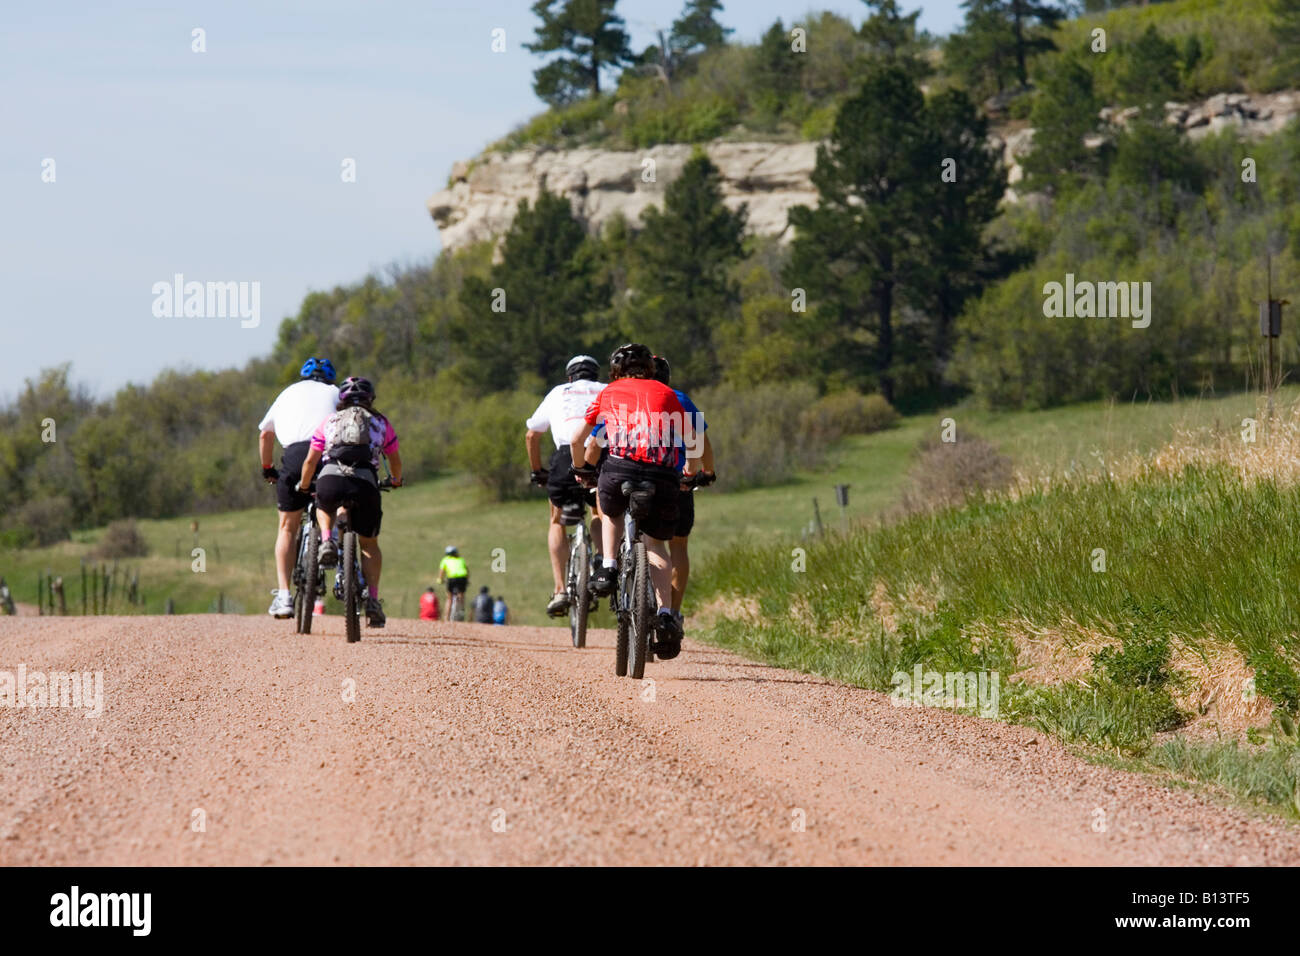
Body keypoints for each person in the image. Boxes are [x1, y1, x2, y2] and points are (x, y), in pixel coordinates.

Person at [570, 343, 701, 660]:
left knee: (610, 511)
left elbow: (579, 439)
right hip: (662, 477)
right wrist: (690, 473)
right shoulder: (667, 393)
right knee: (657, 546)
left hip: (619, 470)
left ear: (616, 371)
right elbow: (692, 439)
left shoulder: (609, 392)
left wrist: (580, 468)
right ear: (651, 370)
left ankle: (609, 567)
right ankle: (667, 614)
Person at [299, 376, 403, 628]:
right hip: (365, 484)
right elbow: (395, 461)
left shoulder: (329, 421)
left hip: (331, 478)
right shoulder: (381, 423)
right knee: (369, 544)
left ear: (341, 400)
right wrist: (396, 480)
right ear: (371, 399)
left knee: (324, 506)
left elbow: (311, 461)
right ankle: (374, 601)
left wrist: (303, 485)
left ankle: (326, 541)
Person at [525, 354, 607, 617]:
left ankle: (560, 589)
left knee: (557, 520)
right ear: (595, 374)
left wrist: (538, 471)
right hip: (600, 454)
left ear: (569, 376)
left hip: (564, 457)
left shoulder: (558, 392)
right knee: (600, 512)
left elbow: (532, 435)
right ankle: (602, 561)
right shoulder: (606, 389)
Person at [257, 358, 339, 618]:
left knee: (287, 528)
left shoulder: (287, 393)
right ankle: (340, 562)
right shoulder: (336, 392)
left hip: (294, 458)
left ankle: (283, 596)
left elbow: (265, 435)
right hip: (328, 454)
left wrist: (268, 467)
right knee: (339, 505)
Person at [651, 355, 716, 632]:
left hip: (638, 477)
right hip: (677, 481)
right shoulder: (680, 399)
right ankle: (672, 613)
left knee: (646, 542)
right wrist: (708, 472)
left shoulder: (632, 399)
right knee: (678, 545)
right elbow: (701, 440)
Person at [438, 546, 469, 619]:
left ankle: (446, 617)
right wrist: (467, 580)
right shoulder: (461, 559)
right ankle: (461, 609)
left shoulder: (445, 560)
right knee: (461, 594)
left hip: (451, 578)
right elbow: (467, 571)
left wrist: (440, 580)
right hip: (462, 578)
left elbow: (442, 571)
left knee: (449, 598)